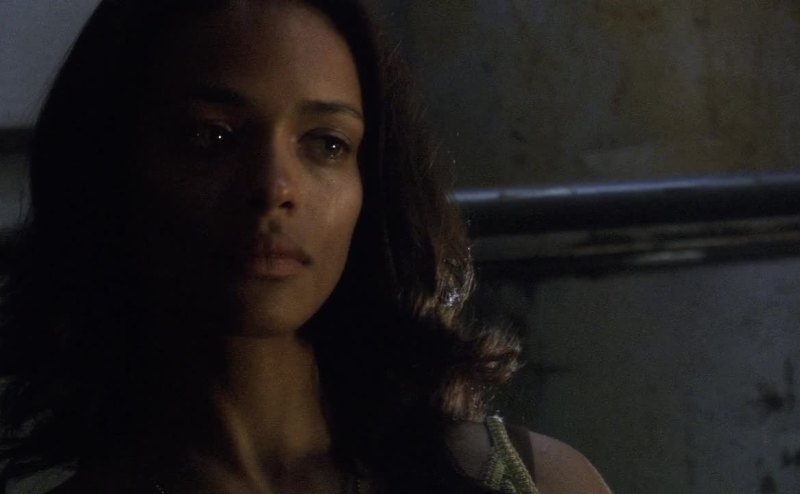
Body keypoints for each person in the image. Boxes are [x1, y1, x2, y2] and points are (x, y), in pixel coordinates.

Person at [0, 0, 611, 492]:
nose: (274, 187)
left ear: (371, 184)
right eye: (212, 136)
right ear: (111, 166)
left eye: (327, 143)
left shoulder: (533, 481)